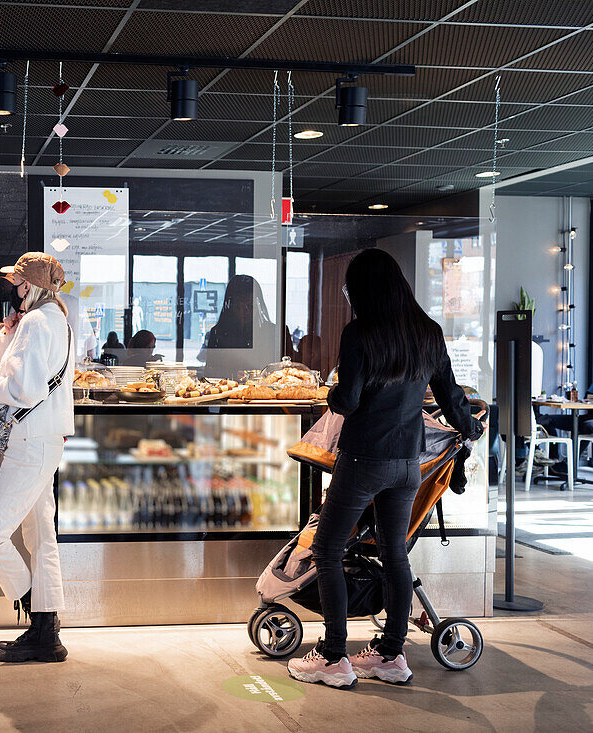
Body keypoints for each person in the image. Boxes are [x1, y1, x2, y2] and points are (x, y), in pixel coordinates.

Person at [287, 248, 484, 689]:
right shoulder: (428, 332)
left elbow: (349, 400)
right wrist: (470, 428)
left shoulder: (360, 334)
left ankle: (333, 656)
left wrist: (332, 396)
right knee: (394, 553)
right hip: (407, 464)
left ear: (362, 290)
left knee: (327, 549)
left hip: (362, 461)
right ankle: (391, 656)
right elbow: (451, 397)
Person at [0, 252, 74, 663]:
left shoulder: (35, 321)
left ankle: (40, 623)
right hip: (47, 438)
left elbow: (24, 389)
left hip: (30, 442)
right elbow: (29, 377)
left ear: (30, 284)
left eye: (17, 282)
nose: (14, 288)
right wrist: (9, 338)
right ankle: (47, 632)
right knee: (40, 536)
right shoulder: (56, 319)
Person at [199, 274, 277, 379]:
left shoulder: (274, 333)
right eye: (238, 306)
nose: (243, 313)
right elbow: (211, 374)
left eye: (249, 306)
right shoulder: (218, 334)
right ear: (230, 306)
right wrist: (231, 374)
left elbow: (284, 373)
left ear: (258, 305)